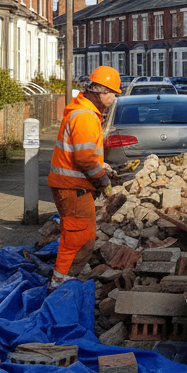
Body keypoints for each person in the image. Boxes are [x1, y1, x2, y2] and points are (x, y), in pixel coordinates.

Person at [46, 66, 121, 291]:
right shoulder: (86, 117)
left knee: (80, 233)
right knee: (79, 237)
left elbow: (83, 154)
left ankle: (64, 278)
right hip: (73, 186)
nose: (114, 97)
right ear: (100, 91)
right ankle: (60, 283)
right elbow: (85, 159)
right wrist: (103, 180)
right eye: (113, 93)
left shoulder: (81, 110)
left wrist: (102, 167)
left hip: (70, 184)